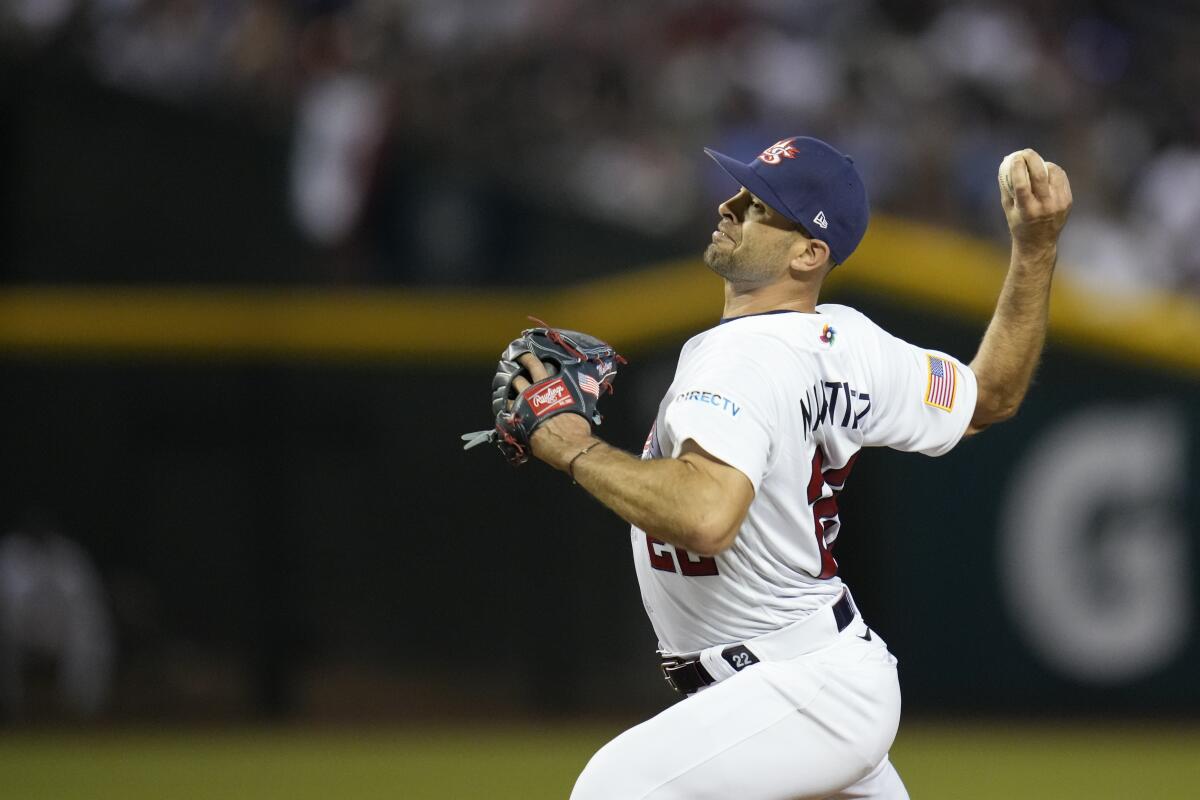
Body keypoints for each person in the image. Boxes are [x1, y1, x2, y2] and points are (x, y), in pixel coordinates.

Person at [507, 136, 1072, 799]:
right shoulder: (847, 344)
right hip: (812, 681)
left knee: (615, 790)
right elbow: (992, 393)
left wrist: (572, 446)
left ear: (810, 252)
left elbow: (706, 516)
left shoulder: (741, 360)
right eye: (743, 191)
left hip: (801, 689)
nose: (731, 204)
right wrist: (1035, 250)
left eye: (760, 206)